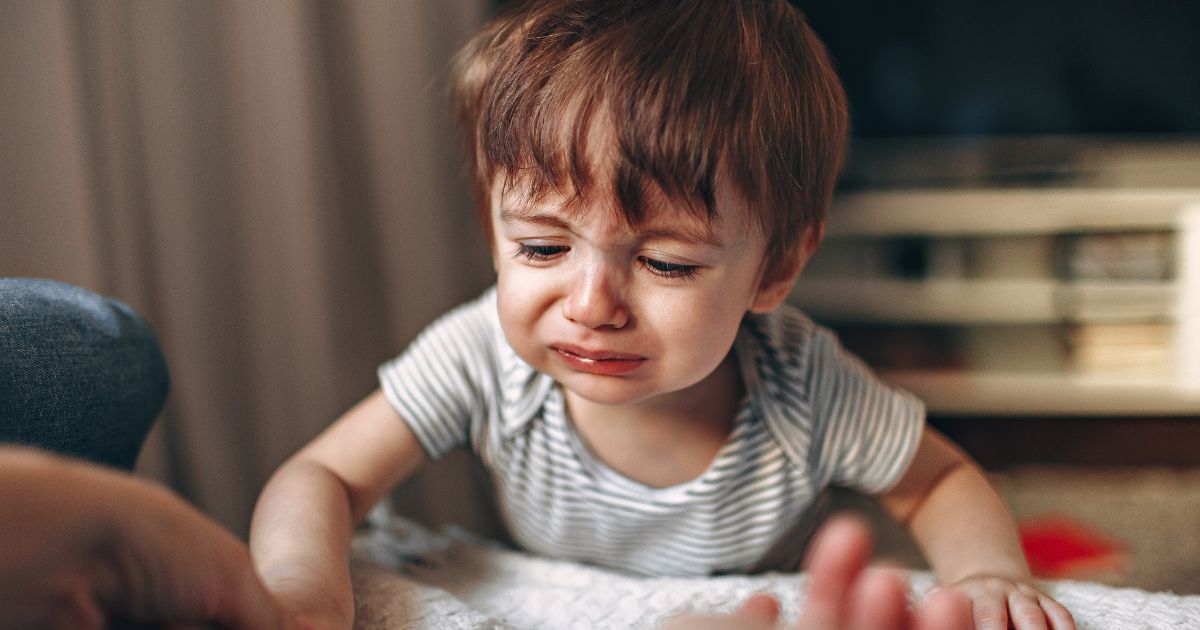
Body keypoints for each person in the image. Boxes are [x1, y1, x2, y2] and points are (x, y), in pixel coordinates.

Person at [250, 2, 1073, 629]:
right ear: (493, 232)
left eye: (665, 263)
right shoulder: (477, 356)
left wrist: (986, 574)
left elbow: (938, 484)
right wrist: (301, 589)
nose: (590, 305)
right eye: (541, 249)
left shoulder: (800, 381)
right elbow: (324, 475)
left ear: (776, 267)